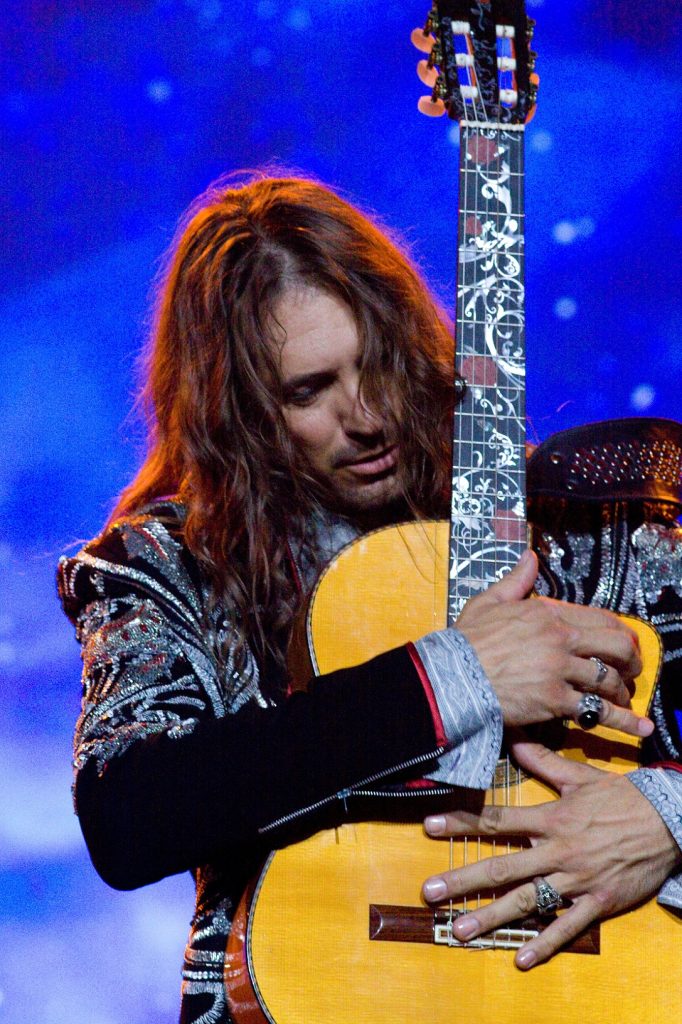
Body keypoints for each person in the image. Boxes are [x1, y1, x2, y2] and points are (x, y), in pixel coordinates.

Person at [57, 174, 682, 1024]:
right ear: (234, 411)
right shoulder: (168, 565)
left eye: (379, 365)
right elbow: (129, 817)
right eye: (309, 390)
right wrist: (458, 676)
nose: (369, 415)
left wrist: (665, 817)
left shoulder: (578, 524)